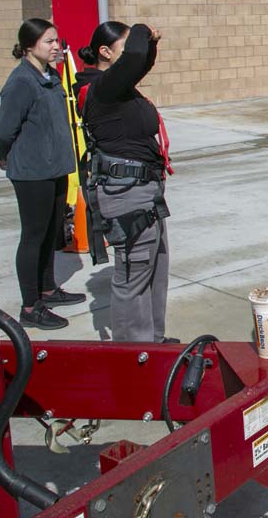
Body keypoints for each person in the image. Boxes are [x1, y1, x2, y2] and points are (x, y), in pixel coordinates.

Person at [74, 21, 175, 343]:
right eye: (126, 44)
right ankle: (135, 355)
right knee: (132, 276)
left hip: (143, 192)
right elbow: (134, 58)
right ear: (105, 52)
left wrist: (151, 44)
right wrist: (143, 28)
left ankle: (154, 344)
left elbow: (139, 59)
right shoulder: (102, 88)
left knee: (155, 269)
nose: (136, 50)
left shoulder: (118, 88)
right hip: (126, 194)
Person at [0, 18, 81, 330]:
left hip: (55, 167)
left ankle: (47, 288)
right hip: (32, 172)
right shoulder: (21, 82)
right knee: (33, 236)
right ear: (29, 46)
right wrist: (3, 156)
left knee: (50, 232)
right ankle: (31, 306)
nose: (56, 46)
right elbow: (4, 130)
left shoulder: (51, 76)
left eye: (57, 40)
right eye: (49, 42)